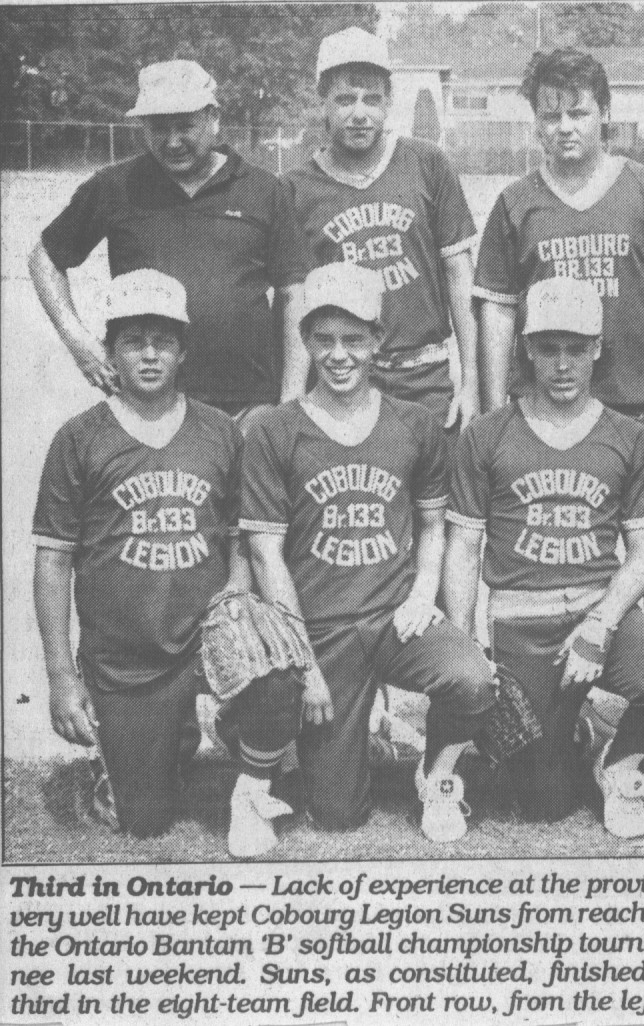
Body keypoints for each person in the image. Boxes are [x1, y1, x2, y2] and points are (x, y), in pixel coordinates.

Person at [239, 263, 496, 845]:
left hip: (393, 618)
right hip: (324, 629)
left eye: (354, 339)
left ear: (378, 340)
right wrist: (304, 664)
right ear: (304, 341)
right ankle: (275, 747)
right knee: (335, 815)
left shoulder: (415, 424)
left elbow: (434, 526)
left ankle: (438, 775)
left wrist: (422, 594)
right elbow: (266, 557)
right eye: (324, 339)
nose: (338, 355)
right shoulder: (276, 431)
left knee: (472, 678)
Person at [445, 277, 644, 838]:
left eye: (577, 349)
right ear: (527, 348)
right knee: (540, 803)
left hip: (596, 609)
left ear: (598, 349)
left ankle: (619, 762)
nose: (562, 365)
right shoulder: (486, 435)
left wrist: (600, 625)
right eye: (549, 348)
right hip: (520, 619)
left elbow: (642, 554)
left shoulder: (629, 438)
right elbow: (463, 548)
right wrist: (466, 648)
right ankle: (582, 725)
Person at [31, 270, 270, 851]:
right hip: (125, 654)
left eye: (162, 341)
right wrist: (63, 679)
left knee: (279, 679)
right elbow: (53, 562)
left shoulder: (219, 431)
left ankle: (221, 745)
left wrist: (237, 599)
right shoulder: (79, 439)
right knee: (143, 822)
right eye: (134, 340)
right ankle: (148, 746)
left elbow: (242, 539)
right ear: (111, 349)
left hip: (204, 641)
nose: (149, 354)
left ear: (183, 350)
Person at [31, 59, 310, 422]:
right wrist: (80, 343)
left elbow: (294, 293)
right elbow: (45, 258)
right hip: (150, 408)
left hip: (249, 407)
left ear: (214, 119)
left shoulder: (264, 190)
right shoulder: (116, 187)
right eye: (159, 128)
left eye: (185, 126)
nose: (173, 141)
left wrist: (290, 398)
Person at [474, 48, 644, 443]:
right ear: (536, 123)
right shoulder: (515, 202)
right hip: (541, 415)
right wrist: (495, 417)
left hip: (635, 409)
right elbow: (498, 314)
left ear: (605, 113)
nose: (564, 127)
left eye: (578, 113)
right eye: (550, 116)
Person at [287, 27, 481, 432]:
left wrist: (471, 384)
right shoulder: (296, 188)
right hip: (340, 380)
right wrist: (292, 398)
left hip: (423, 379)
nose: (359, 113)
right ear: (322, 102)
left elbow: (460, 277)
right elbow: (295, 300)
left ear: (388, 102)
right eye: (344, 99)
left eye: (371, 99)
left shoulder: (427, 164)